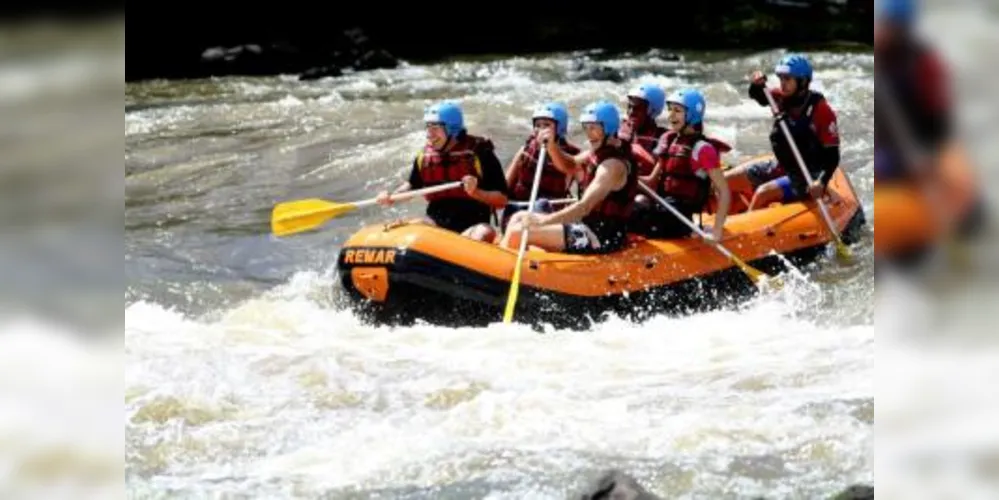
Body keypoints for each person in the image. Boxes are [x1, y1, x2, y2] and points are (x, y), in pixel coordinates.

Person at [501, 100, 638, 254]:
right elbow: (570, 165)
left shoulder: (612, 167)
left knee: (517, 233)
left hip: (601, 237)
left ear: (608, 129)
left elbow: (584, 207)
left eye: (594, 128)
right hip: (587, 226)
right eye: (586, 127)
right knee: (518, 218)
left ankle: (500, 274)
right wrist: (552, 146)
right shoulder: (596, 153)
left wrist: (543, 221)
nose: (589, 133)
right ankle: (507, 266)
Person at [724, 53, 842, 211]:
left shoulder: (821, 110)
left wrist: (821, 182)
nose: (782, 84)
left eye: (788, 79)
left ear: (802, 81)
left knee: (762, 193)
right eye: (781, 79)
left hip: (808, 174)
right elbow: (759, 96)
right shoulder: (779, 97)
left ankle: (746, 232)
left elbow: (833, 154)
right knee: (725, 180)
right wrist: (756, 84)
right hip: (783, 166)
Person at [376, 101, 509, 240]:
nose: (429, 134)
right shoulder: (424, 156)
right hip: (436, 224)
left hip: (472, 225)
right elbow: (412, 186)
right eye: (428, 127)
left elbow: (502, 200)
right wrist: (392, 197)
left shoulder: (480, 152)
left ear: (452, 128)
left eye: (435, 128)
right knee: (413, 227)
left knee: (485, 232)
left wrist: (475, 192)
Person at [630, 88, 732, 241]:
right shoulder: (671, 141)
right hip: (664, 209)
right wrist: (626, 177)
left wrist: (717, 231)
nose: (670, 115)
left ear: (692, 115)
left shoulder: (703, 149)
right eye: (670, 110)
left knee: (635, 210)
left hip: (680, 219)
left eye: (677, 111)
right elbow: (651, 181)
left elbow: (724, 192)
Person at [873, 0, 951, 183]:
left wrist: (930, 156)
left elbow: (937, 118)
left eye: (886, 24)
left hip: (913, 148)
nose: (880, 30)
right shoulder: (881, 59)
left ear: (901, 28)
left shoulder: (922, 62)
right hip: (887, 141)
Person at [500, 101, 581, 232]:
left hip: (548, 214)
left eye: (547, 125)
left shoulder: (572, 156)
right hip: (518, 209)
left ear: (559, 128)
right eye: (538, 125)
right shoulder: (525, 150)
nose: (541, 130)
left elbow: (579, 182)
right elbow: (504, 187)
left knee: (541, 205)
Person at [620, 83, 668, 176]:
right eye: (629, 107)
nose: (631, 113)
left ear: (653, 111)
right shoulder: (619, 130)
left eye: (637, 108)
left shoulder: (663, 138)